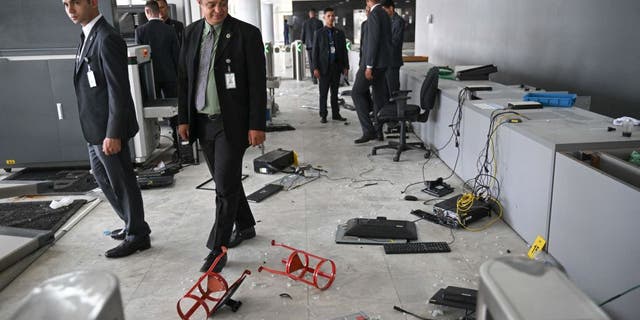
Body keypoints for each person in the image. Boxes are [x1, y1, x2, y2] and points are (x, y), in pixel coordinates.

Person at [177, 0, 266, 273]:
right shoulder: (191, 33)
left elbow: (256, 83)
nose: (219, 10)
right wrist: (183, 117)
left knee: (224, 188)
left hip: (232, 124)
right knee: (224, 180)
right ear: (200, 3)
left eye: (224, 3)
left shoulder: (246, 34)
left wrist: (257, 124)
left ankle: (218, 249)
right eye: (212, 4)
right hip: (202, 122)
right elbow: (184, 78)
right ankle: (246, 225)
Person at [63, 0, 151, 258]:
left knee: (122, 181)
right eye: (66, 4)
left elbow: (118, 90)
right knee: (104, 179)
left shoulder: (107, 38)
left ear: (92, 2)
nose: (70, 9)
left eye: (76, 2)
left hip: (108, 131)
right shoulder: (87, 35)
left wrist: (113, 133)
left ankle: (138, 235)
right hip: (94, 129)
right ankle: (131, 224)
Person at [352, 0, 392, 144]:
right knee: (378, 97)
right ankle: (379, 131)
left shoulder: (375, 14)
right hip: (382, 64)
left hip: (373, 65)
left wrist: (369, 66)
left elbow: (373, 42)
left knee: (356, 92)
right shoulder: (385, 13)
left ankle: (369, 131)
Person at [135, 0, 179, 98]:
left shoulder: (140, 31)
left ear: (147, 11)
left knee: (154, 107)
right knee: (173, 105)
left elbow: (139, 57)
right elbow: (176, 54)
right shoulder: (170, 29)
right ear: (158, 11)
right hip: (170, 75)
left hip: (150, 76)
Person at [312, 7, 349, 124]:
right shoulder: (319, 33)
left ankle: (336, 114)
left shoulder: (339, 33)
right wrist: (315, 68)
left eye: (333, 16)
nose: (331, 18)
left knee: (335, 92)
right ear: (324, 17)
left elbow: (344, 51)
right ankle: (323, 115)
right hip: (323, 68)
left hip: (336, 67)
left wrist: (346, 66)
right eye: (328, 16)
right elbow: (315, 52)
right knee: (323, 93)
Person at [382, 0, 405, 95]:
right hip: (385, 61)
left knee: (393, 89)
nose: (383, 12)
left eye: (385, 10)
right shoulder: (387, 20)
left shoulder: (398, 21)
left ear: (391, 8)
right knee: (385, 90)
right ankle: (388, 109)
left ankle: (395, 109)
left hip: (392, 61)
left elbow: (395, 41)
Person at [301, 9, 323, 84]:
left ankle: (314, 78)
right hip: (318, 45)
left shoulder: (305, 23)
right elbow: (322, 34)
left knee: (311, 62)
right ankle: (320, 76)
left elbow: (303, 34)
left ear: (309, 14)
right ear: (315, 14)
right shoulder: (320, 22)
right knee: (319, 61)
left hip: (309, 46)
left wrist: (303, 41)